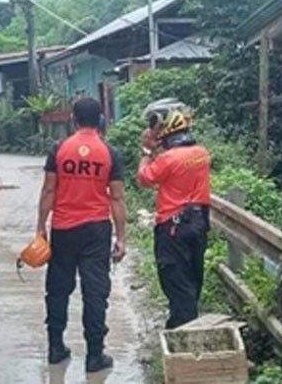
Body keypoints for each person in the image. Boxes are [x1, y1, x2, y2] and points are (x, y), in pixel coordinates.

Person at [35, 97, 127, 373]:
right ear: (100, 119)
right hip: (96, 230)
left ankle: (55, 348)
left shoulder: (59, 149)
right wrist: (121, 237)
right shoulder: (110, 153)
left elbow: (49, 191)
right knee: (95, 291)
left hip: (63, 229)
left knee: (58, 288)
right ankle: (95, 356)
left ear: (73, 119)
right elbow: (118, 198)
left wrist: (41, 227)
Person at [137, 98, 211, 329]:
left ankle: (184, 330)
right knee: (192, 275)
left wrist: (147, 152)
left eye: (155, 124)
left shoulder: (168, 159)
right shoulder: (201, 153)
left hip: (173, 226)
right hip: (199, 221)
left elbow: (145, 178)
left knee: (174, 278)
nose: (152, 129)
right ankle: (183, 320)